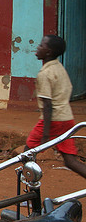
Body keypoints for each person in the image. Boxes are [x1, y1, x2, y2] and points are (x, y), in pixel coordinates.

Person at [25, 35, 86, 178]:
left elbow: (48, 105)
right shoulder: (59, 68)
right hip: (66, 119)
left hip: (53, 120)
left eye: (41, 45)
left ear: (48, 52)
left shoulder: (45, 73)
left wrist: (46, 134)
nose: (38, 47)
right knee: (70, 161)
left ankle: (31, 185)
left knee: (27, 153)